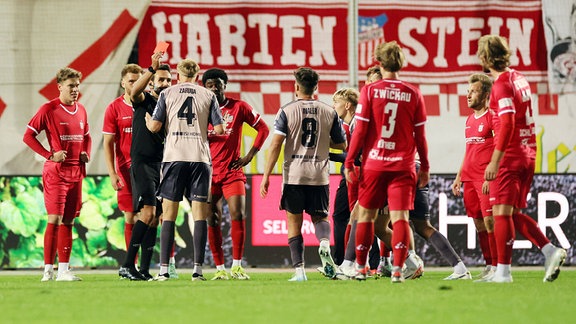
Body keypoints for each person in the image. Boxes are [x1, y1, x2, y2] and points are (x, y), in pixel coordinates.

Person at [477, 35, 567, 283]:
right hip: (528, 152)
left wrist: (495, 159)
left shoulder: (502, 85)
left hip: (511, 154)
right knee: (511, 212)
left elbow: (507, 123)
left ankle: (503, 273)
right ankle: (550, 251)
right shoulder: (519, 78)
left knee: (500, 213)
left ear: (485, 58)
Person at [344, 41, 429, 283]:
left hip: (374, 164)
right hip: (403, 166)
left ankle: (360, 267)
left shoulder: (370, 91)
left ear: (379, 63)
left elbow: (359, 131)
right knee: (400, 218)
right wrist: (425, 166)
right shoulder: (413, 93)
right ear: (402, 63)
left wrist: (350, 160)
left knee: (366, 217)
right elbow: (420, 136)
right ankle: (399, 270)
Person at [260, 67, 346, 281]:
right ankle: (324, 243)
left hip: (295, 175)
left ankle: (299, 272)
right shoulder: (329, 111)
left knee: (293, 223)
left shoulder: (286, 111)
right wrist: (323, 141)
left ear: (296, 86)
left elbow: (276, 144)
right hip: (319, 175)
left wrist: (266, 176)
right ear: (316, 87)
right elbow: (342, 144)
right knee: (320, 218)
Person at [147, 58, 224, 281]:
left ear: (178, 75)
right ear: (197, 76)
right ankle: (198, 270)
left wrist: (147, 121)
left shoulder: (166, 94)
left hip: (174, 157)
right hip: (199, 158)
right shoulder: (207, 95)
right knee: (200, 215)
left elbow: (155, 126)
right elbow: (219, 129)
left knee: (169, 214)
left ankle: (163, 270)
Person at [23, 67, 91, 282]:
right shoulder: (48, 109)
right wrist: (49, 155)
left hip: (76, 172)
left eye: (77, 86)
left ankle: (63, 271)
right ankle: (47, 271)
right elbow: (28, 136)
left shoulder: (81, 110)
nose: (75, 90)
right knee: (55, 218)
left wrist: (86, 153)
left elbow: (87, 137)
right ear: (60, 87)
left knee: (69, 221)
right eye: (71, 86)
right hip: (57, 173)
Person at [202, 68, 270, 280]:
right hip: (208, 171)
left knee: (238, 214)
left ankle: (238, 266)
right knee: (211, 219)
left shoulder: (239, 107)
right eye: (210, 84)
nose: (214, 87)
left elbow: (264, 129)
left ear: (225, 85)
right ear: (204, 87)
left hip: (232, 171)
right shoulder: (200, 110)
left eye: (218, 83)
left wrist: (250, 155)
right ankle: (220, 268)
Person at [118, 52, 171, 281]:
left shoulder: (169, 103)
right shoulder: (145, 99)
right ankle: (127, 265)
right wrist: (150, 67)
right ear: (152, 81)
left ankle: (145, 269)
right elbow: (133, 92)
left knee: (155, 215)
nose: (165, 83)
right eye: (161, 79)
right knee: (146, 212)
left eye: (168, 80)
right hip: (142, 163)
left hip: (161, 163)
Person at [451, 73, 497, 280]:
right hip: (469, 178)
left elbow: (500, 149)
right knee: (479, 223)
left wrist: (490, 177)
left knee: (490, 222)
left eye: (474, 91)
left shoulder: (493, 118)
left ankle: (499, 266)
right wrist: (459, 176)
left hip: (484, 179)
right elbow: (468, 150)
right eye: (468, 91)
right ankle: (489, 265)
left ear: (486, 94)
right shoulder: (470, 120)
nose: (468, 95)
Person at [103, 64, 142, 260]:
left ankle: (164, 266)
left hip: (150, 169)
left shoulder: (150, 104)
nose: (134, 85)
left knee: (154, 217)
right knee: (130, 217)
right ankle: (131, 263)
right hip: (126, 171)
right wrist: (112, 173)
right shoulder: (114, 108)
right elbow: (108, 143)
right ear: (123, 83)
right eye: (131, 81)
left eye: (138, 81)